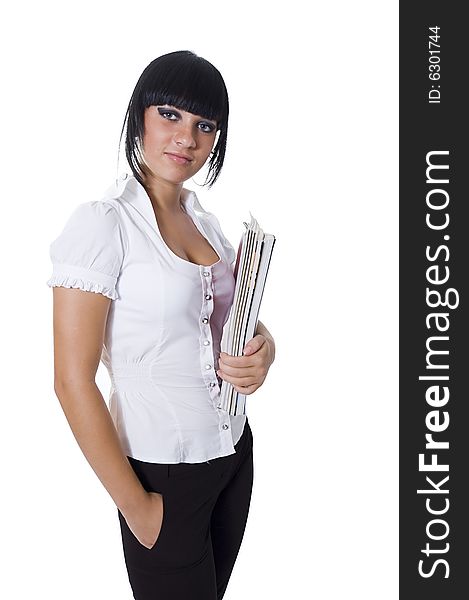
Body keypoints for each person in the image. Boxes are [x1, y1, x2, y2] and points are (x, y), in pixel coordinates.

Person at [46, 50, 276, 600]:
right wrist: (137, 506)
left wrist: (265, 351)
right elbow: (71, 380)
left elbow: (239, 319)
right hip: (160, 476)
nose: (187, 139)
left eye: (204, 126)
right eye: (170, 115)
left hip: (232, 452)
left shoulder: (204, 219)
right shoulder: (103, 225)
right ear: (140, 116)